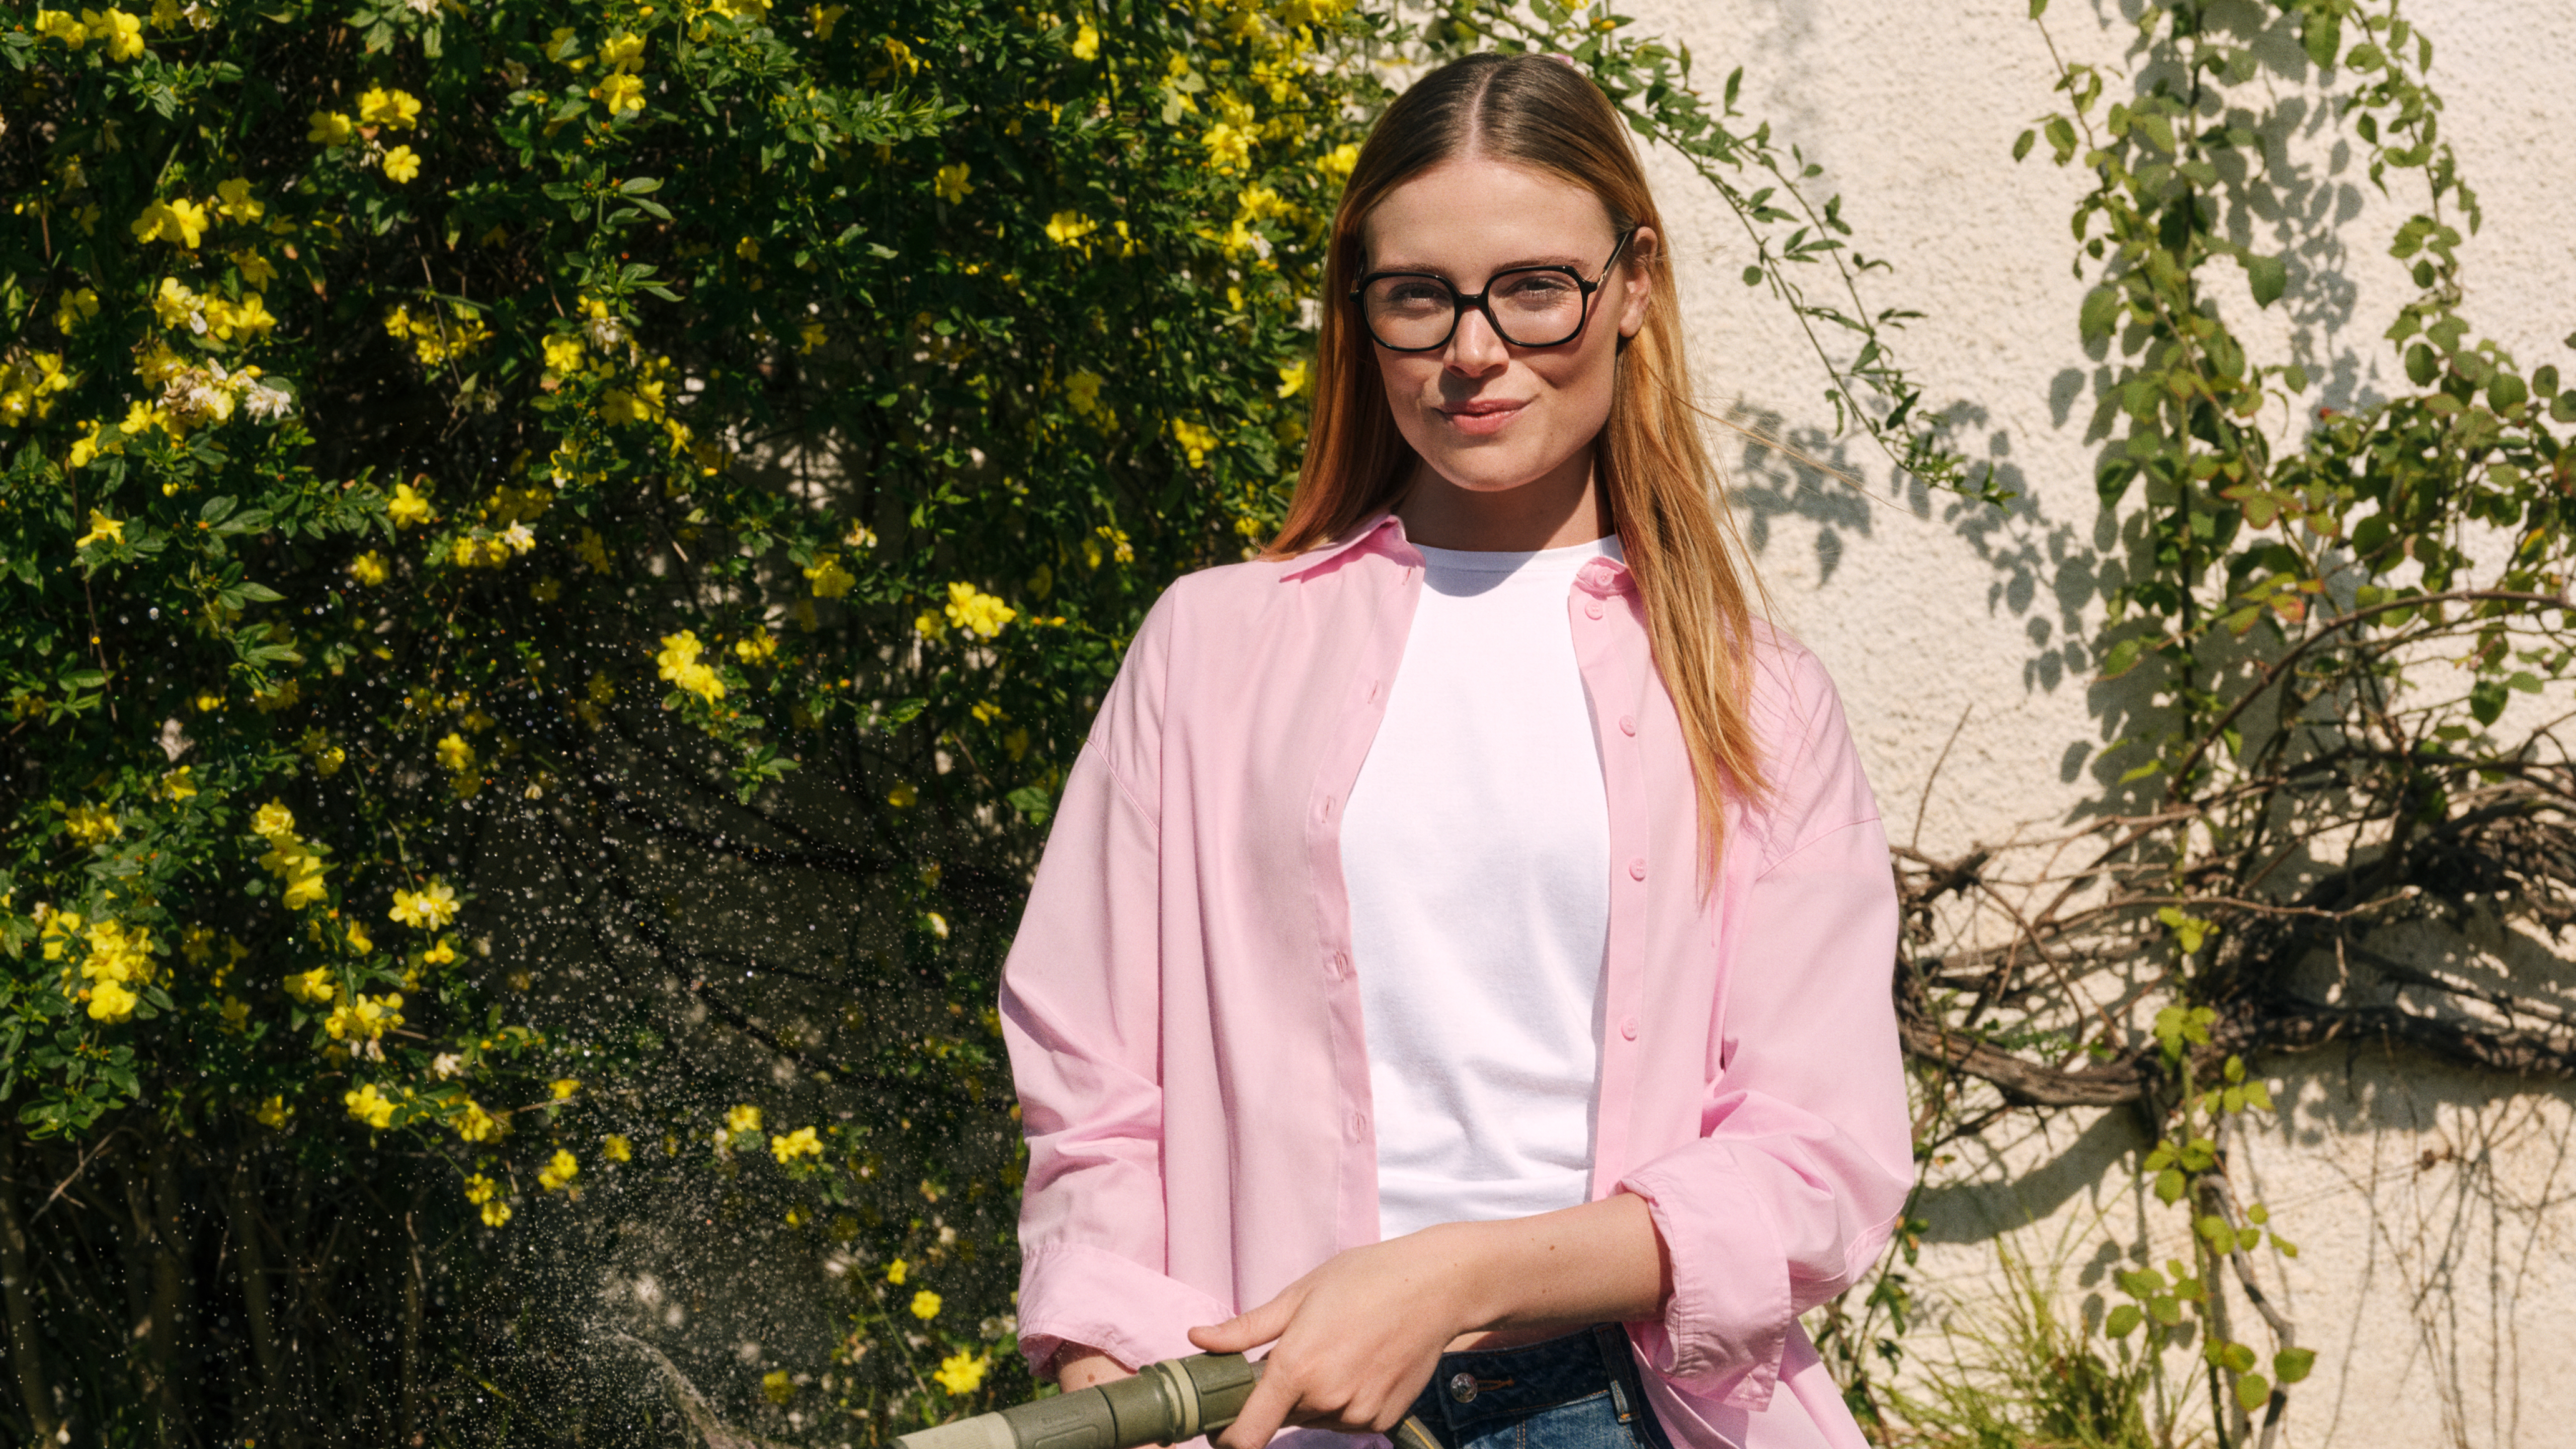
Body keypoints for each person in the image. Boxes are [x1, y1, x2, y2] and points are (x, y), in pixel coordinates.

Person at [998, 51, 1912, 1449]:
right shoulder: (1210, 648)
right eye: (1418, 297)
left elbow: (1819, 1161)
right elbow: (1095, 1078)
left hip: (1617, 1409)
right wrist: (1117, 1371)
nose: (1475, 349)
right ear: (1361, 317)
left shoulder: (1753, 697)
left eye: (1536, 289)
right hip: (1267, 1408)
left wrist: (1454, 1279)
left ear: (1634, 288)